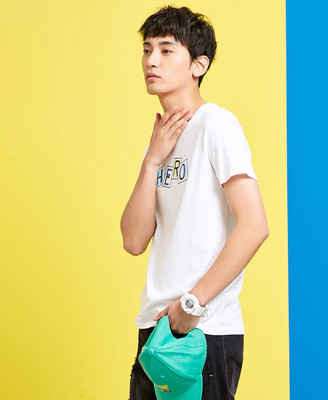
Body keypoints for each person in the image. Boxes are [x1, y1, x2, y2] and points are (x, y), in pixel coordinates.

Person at [120, 5, 269, 400]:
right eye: (147, 49)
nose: (151, 60)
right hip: (155, 328)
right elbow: (133, 241)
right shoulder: (160, 143)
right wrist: (151, 161)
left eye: (166, 50)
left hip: (203, 327)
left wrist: (191, 304)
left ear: (198, 65)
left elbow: (254, 225)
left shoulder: (216, 124)